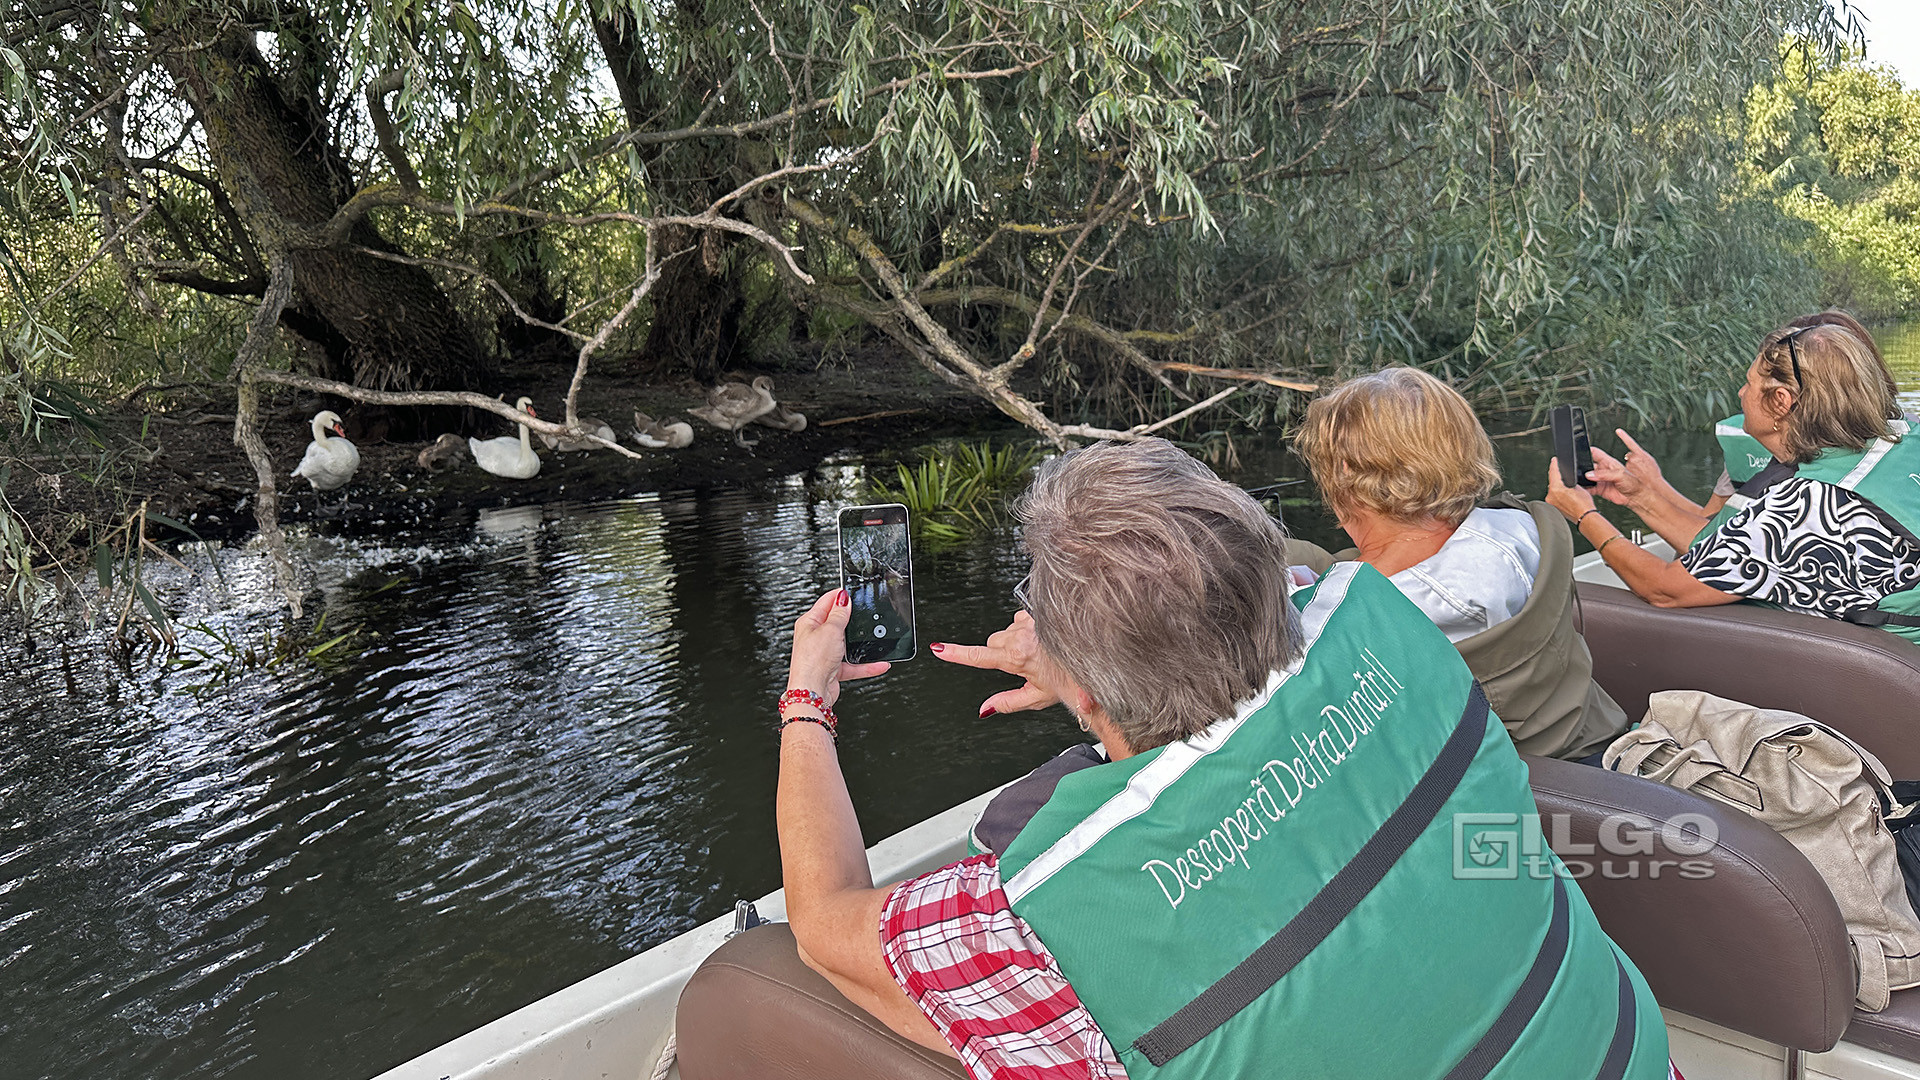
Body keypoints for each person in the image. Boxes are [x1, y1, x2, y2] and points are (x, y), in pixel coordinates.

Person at [775, 438, 1673, 1079]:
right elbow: (1263, 626)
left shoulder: (1043, 910)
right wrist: (1095, 679)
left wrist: (807, 698)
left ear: (1085, 683)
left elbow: (824, 924)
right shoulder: (1389, 622)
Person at [1284, 367, 1627, 760]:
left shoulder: (1375, 614)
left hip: (1525, 779)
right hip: (1595, 734)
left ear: (1344, 470)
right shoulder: (1521, 528)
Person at [1548, 319, 1920, 641]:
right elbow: (1729, 551)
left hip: (1883, 679)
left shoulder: (1809, 504)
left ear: (1781, 402)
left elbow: (1664, 589)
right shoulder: (1903, 438)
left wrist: (1584, 515)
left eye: (1749, 383)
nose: (1741, 394)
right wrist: (1639, 496)